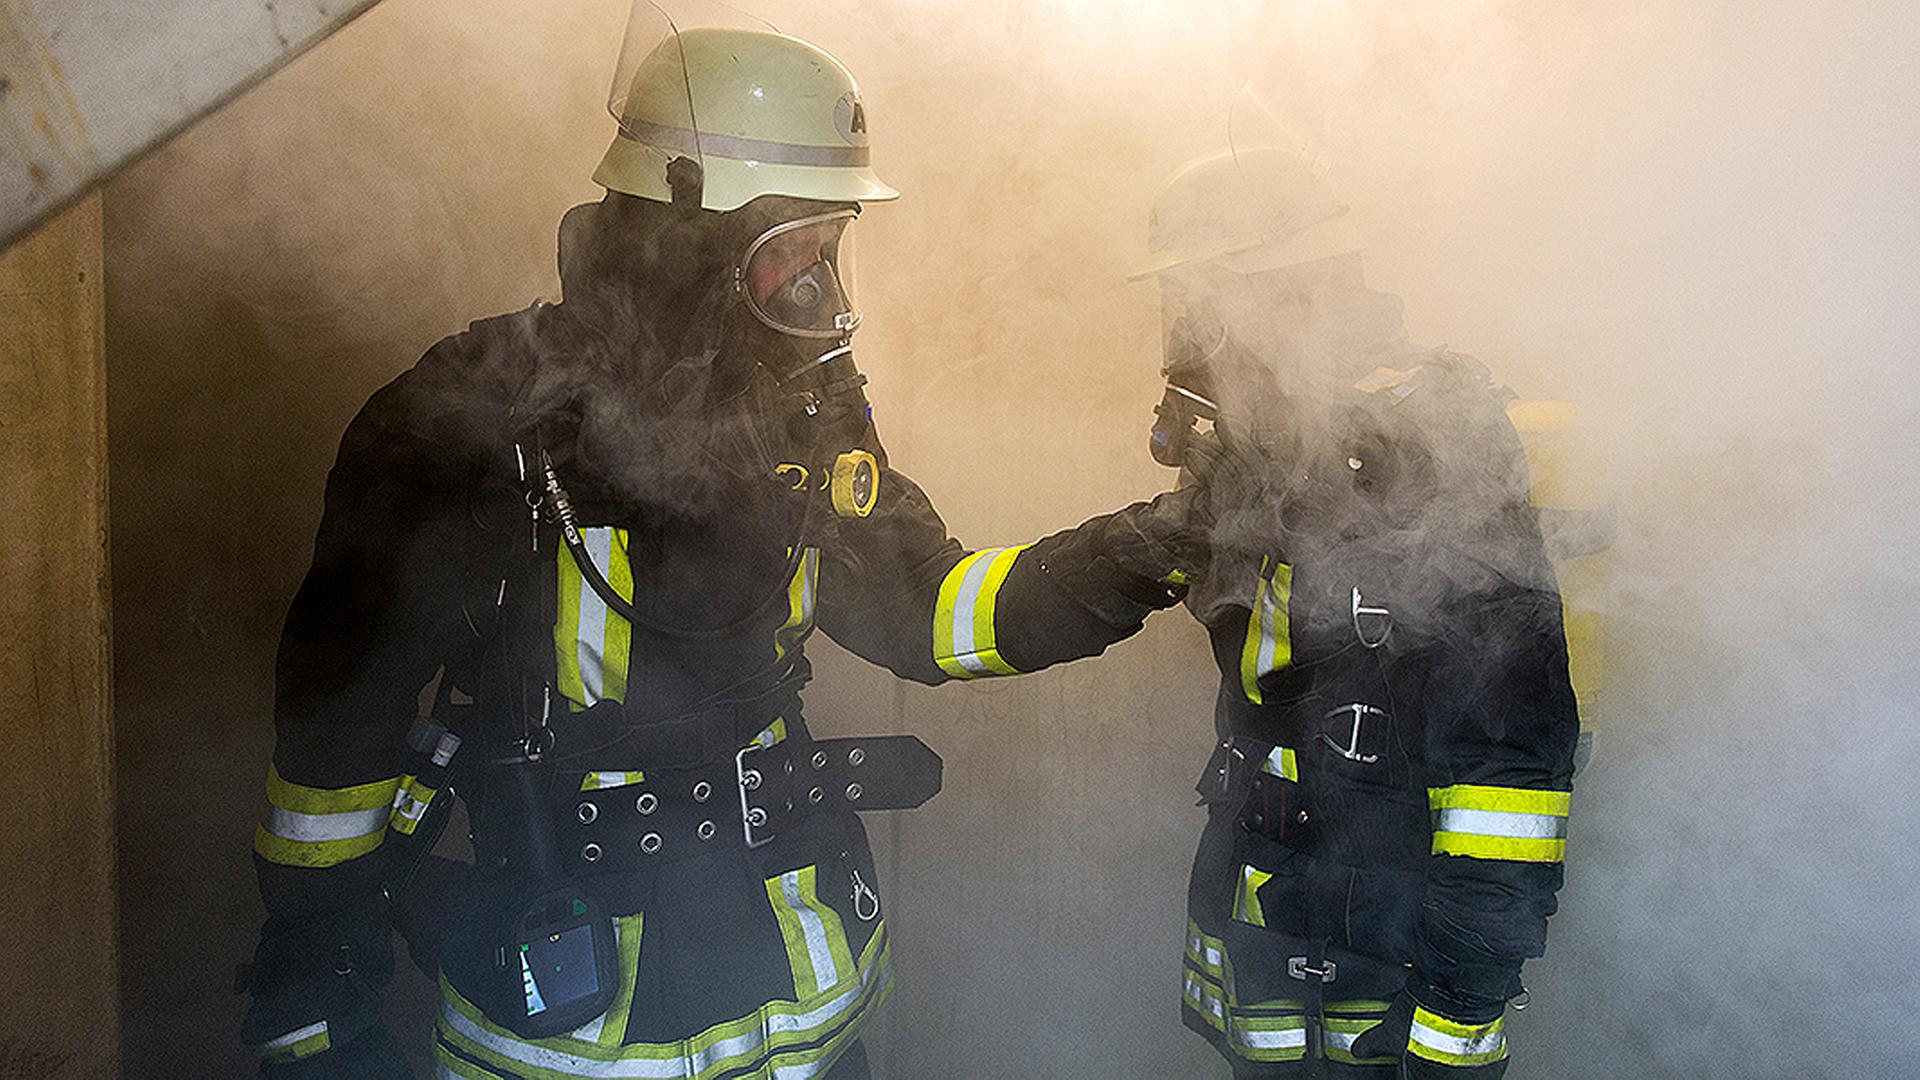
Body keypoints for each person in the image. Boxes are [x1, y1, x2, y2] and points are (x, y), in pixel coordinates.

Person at [237, 24, 1202, 1079]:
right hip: (569, 1041)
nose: (819, 296)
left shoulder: (801, 419)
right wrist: (314, 975)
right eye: (792, 252)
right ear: (684, 236)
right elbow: (339, 725)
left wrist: (1147, 549)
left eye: (831, 251)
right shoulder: (465, 422)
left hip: (810, 1031)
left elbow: (929, 613)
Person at [1139, 140, 1580, 1077]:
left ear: (1282, 293)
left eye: (1201, 300)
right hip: (1268, 941)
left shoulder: (1430, 439)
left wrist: (1455, 1016)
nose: (1187, 331)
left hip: (1392, 973)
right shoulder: (1264, 441)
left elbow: (1508, 769)